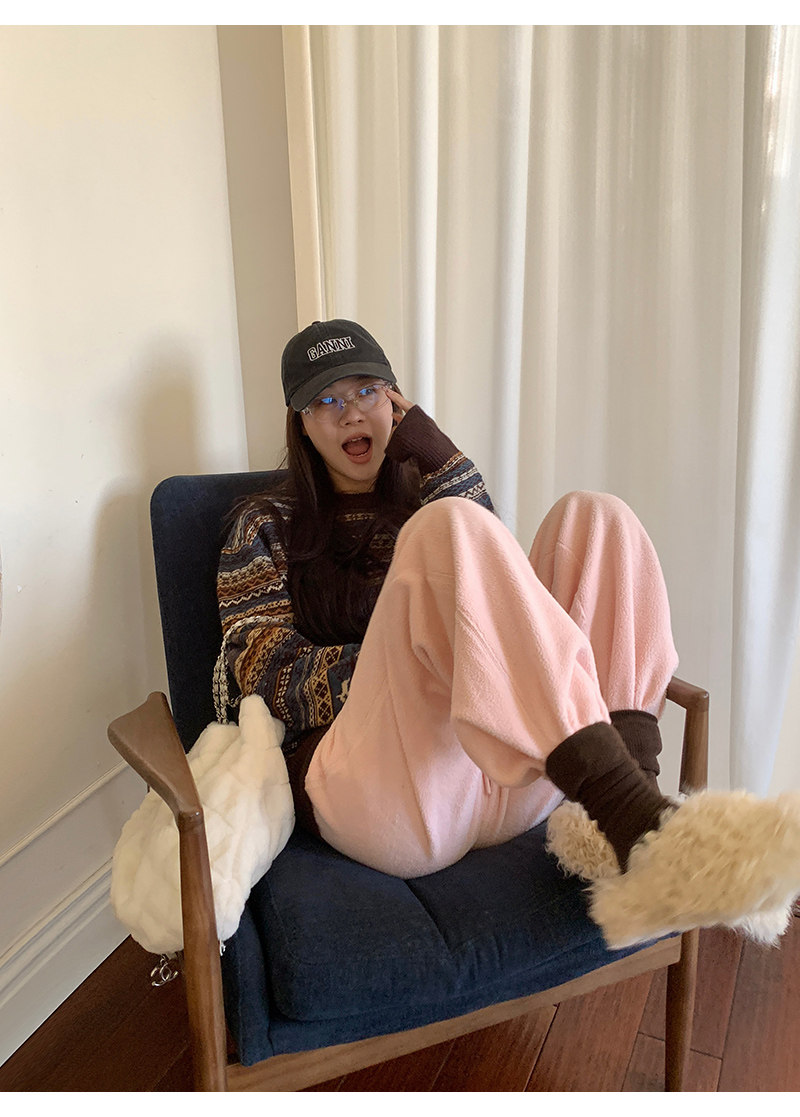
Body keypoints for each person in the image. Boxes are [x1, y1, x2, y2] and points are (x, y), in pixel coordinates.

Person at [216, 318, 800, 948]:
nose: (351, 413)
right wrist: (410, 659)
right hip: (388, 796)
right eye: (326, 401)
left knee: (595, 517)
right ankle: (637, 820)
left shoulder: (425, 497)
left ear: (395, 401)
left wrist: (442, 462)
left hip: (500, 777)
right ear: (301, 424)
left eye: (366, 391)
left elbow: (503, 595)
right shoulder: (265, 523)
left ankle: (625, 817)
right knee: (446, 530)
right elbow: (257, 670)